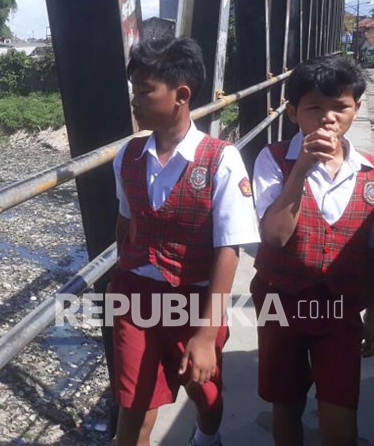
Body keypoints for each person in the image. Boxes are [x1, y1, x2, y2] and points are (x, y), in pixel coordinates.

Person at [108, 37, 260, 446]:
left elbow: (229, 248)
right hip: (135, 298)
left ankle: (207, 436)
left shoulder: (220, 159)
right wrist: (121, 276)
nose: (135, 101)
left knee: (205, 393)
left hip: (194, 299)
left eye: (144, 91)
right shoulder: (129, 156)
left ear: (181, 95)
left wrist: (207, 334)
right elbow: (126, 223)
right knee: (134, 406)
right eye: (134, 91)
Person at [251, 55, 374, 446]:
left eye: (340, 106)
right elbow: (275, 237)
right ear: (294, 113)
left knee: (340, 416)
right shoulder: (274, 161)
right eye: (315, 107)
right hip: (282, 303)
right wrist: (300, 170)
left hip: (340, 309)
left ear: (356, 110)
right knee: (287, 404)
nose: (328, 118)